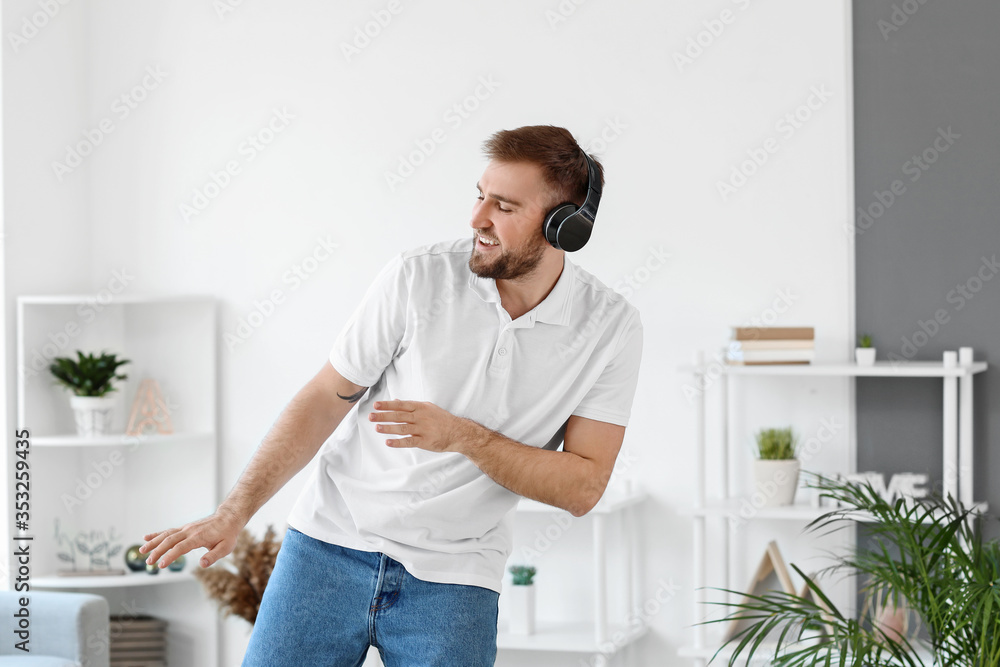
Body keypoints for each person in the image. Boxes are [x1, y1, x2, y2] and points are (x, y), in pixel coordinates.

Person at [139, 125, 643, 666]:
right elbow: (324, 397)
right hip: (328, 547)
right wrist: (233, 512)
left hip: (455, 578)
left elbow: (583, 487)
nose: (477, 219)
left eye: (503, 206)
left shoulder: (609, 329)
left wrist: (462, 437)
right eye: (479, 196)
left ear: (562, 227)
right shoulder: (417, 277)